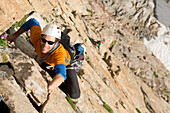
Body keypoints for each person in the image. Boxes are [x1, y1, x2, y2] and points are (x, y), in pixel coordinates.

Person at [7, 18, 80, 104]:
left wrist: (50, 86)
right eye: (44, 40)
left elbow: (61, 74)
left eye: (50, 43)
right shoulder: (37, 38)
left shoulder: (59, 54)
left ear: (56, 42)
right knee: (47, 68)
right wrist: (14, 36)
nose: (45, 44)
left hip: (67, 63)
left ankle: (79, 50)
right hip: (49, 61)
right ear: (41, 36)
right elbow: (32, 22)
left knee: (74, 95)